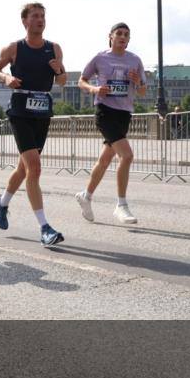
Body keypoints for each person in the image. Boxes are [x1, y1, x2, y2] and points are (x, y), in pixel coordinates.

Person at [0, 2, 66, 247]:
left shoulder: (54, 48)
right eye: (35, 16)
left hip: (42, 112)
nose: (40, 20)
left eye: (43, 16)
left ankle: (0, 203)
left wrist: (59, 69)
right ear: (25, 21)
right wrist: (6, 77)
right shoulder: (14, 48)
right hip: (20, 110)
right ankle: (44, 228)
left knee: (24, 169)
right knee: (34, 167)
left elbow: (62, 81)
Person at [74, 22, 146, 225]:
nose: (123, 37)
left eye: (126, 34)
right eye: (119, 34)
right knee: (127, 155)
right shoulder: (100, 58)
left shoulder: (135, 60)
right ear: (111, 37)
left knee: (105, 160)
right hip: (105, 112)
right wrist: (95, 90)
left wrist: (137, 81)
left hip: (124, 114)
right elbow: (81, 80)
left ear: (129, 39)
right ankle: (121, 205)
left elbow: (142, 91)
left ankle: (85, 196)